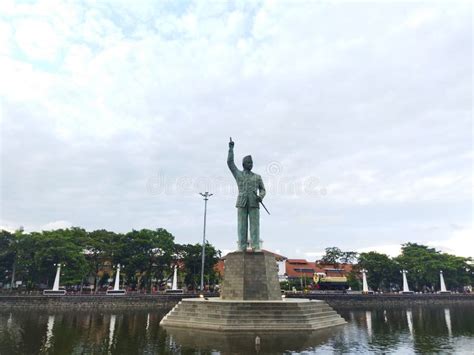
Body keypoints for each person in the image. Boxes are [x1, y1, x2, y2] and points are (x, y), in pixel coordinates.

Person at [227, 137, 266, 251]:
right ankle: (242, 246)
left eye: (252, 162)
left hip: (254, 202)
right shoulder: (238, 174)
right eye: (249, 162)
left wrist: (261, 196)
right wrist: (231, 149)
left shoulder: (257, 177)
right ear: (244, 164)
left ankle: (255, 246)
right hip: (242, 202)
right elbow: (230, 163)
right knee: (242, 226)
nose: (251, 164)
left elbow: (263, 189)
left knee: (255, 226)